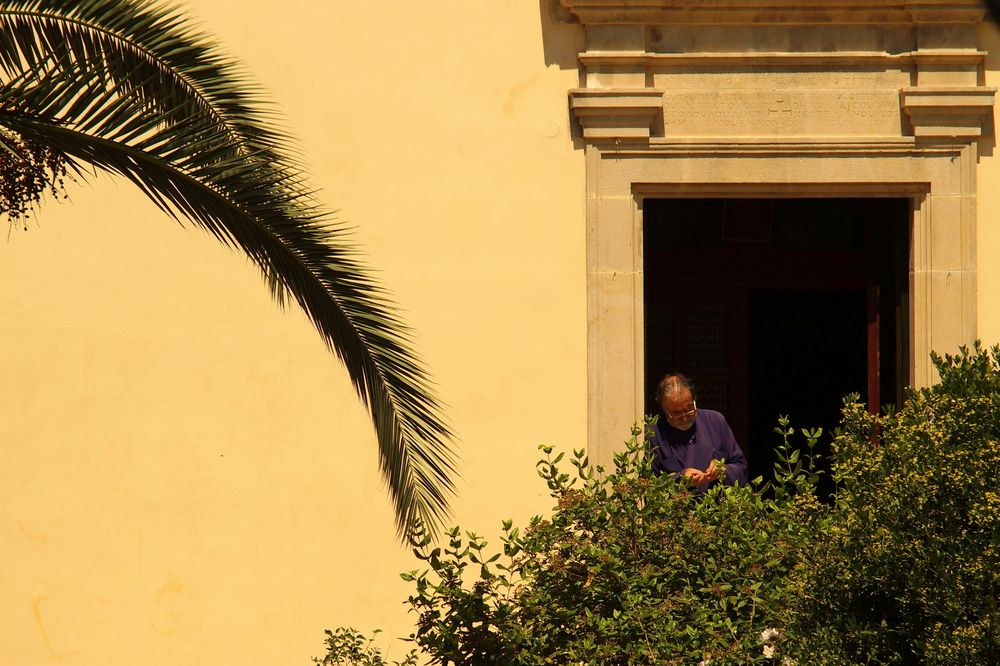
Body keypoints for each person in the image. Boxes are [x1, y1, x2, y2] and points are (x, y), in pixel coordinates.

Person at [648, 372, 748, 489]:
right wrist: (680, 479)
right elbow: (648, 484)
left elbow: (741, 467)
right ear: (663, 408)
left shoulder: (715, 421)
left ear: (694, 400)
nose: (684, 418)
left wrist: (722, 470)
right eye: (676, 413)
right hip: (677, 505)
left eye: (689, 408)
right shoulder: (653, 433)